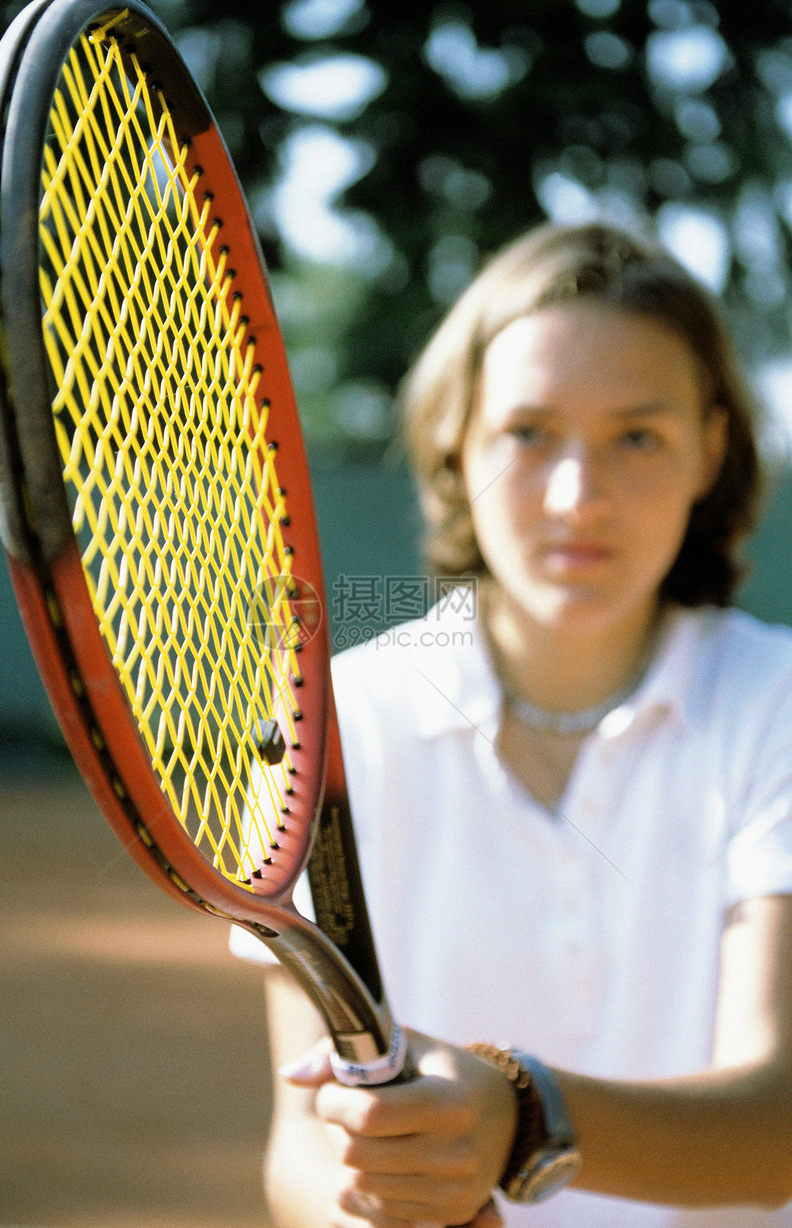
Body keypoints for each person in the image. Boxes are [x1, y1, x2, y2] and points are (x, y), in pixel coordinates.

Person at [242, 222, 792, 1227]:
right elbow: (300, 1154)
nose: (577, 497)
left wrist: (521, 1114)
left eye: (637, 435)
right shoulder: (334, 726)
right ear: (456, 438)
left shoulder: (776, 706)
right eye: (526, 433)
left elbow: (778, 1128)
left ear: (710, 448)